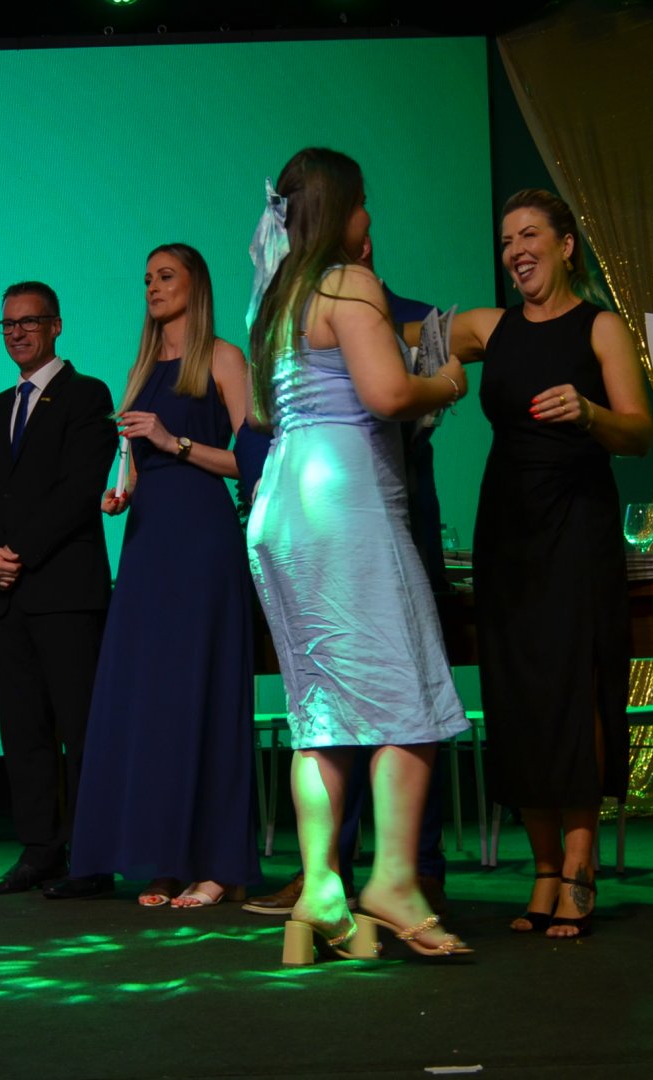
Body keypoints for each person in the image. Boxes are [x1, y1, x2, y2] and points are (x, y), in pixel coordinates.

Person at [245, 147, 472, 963]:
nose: (371, 216)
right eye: (365, 200)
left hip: (282, 504)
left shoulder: (276, 297)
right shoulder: (348, 283)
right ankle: (395, 883)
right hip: (344, 503)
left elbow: (264, 414)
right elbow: (386, 394)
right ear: (343, 208)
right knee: (408, 695)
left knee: (322, 714)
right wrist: (447, 381)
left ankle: (321, 887)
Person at [439, 189, 653, 938]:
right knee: (517, 693)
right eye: (506, 241)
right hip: (507, 528)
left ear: (565, 245)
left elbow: (640, 433)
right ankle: (541, 868)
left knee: (573, 688)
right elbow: (392, 331)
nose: (515, 252)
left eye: (529, 235)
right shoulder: (487, 326)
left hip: (576, 525)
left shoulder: (602, 327)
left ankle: (580, 862)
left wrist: (589, 413)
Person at [69, 243, 259, 909]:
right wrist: (120, 490)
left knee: (203, 693)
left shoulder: (225, 359)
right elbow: (131, 458)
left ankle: (218, 864)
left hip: (203, 541)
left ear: (195, 284)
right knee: (152, 701)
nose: (152, 286)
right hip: (148, 544)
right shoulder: (140, 369)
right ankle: (164, 861)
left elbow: (254, 462)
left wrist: (172, 442)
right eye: (147, 277)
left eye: (166, 276)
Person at [0, 282, 118, 898]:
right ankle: (40, 851)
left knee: (80, 729)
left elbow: (79, 490)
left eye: (29, 322)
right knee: (23, 729)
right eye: (8, 324)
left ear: (56, 326)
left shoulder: (88, 394)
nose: (17, 333)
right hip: (5, 593)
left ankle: (91, 857)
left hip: (65, 591)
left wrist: (17, 554)